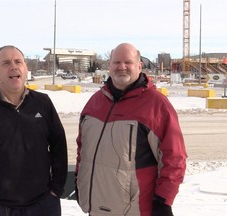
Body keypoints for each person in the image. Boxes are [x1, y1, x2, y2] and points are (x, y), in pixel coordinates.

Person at [75, 43, 187, 216]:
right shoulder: (95, 103)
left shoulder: (156, 105)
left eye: (128, 62)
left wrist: (164, 199)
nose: (122, 67)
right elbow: (82, 148)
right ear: (109, 65)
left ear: (139, 65)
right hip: (96, 207)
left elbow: (175, 157)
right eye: (117, 62)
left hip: (135, 209)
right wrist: (78, 179)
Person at [0, 45, 68, 216]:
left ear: (25, 68)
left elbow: (58, 145)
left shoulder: (43, 103)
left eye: (18, 61)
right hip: (0, 209)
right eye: (6, 63)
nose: (13, 66)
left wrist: (56, 188)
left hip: (43, 205)